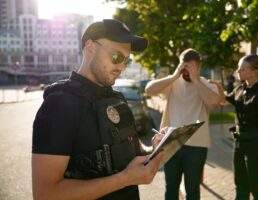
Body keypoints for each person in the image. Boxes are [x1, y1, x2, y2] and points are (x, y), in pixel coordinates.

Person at [31, 19, 164, 200]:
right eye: (116, 57)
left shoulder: (117, 99)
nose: (122, 67)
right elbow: (45, 194)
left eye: (127, 60)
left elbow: (134, 151)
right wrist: (124, 179)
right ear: (90, 48)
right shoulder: (59, 105)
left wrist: (154, 149)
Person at [145, 48, 222, 200]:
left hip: (196, 146)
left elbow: (214, 103)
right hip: (171, 142)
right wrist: (174, 75)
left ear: (199, 67)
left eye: (191, 68)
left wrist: (196, 79)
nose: (186, 72)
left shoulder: (206, 84)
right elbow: (149, 90)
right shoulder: (173, 83)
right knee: (171, 188)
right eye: (184, 67)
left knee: (192, 189)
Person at [211, 54, 258, 200]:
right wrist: (219, 88)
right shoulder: (240, 88)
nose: (238, 71)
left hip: (255, 146)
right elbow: (224, 101)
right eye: (238, 68)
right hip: (239, 144)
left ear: (255, 71)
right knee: (241, 183)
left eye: (242, 69)